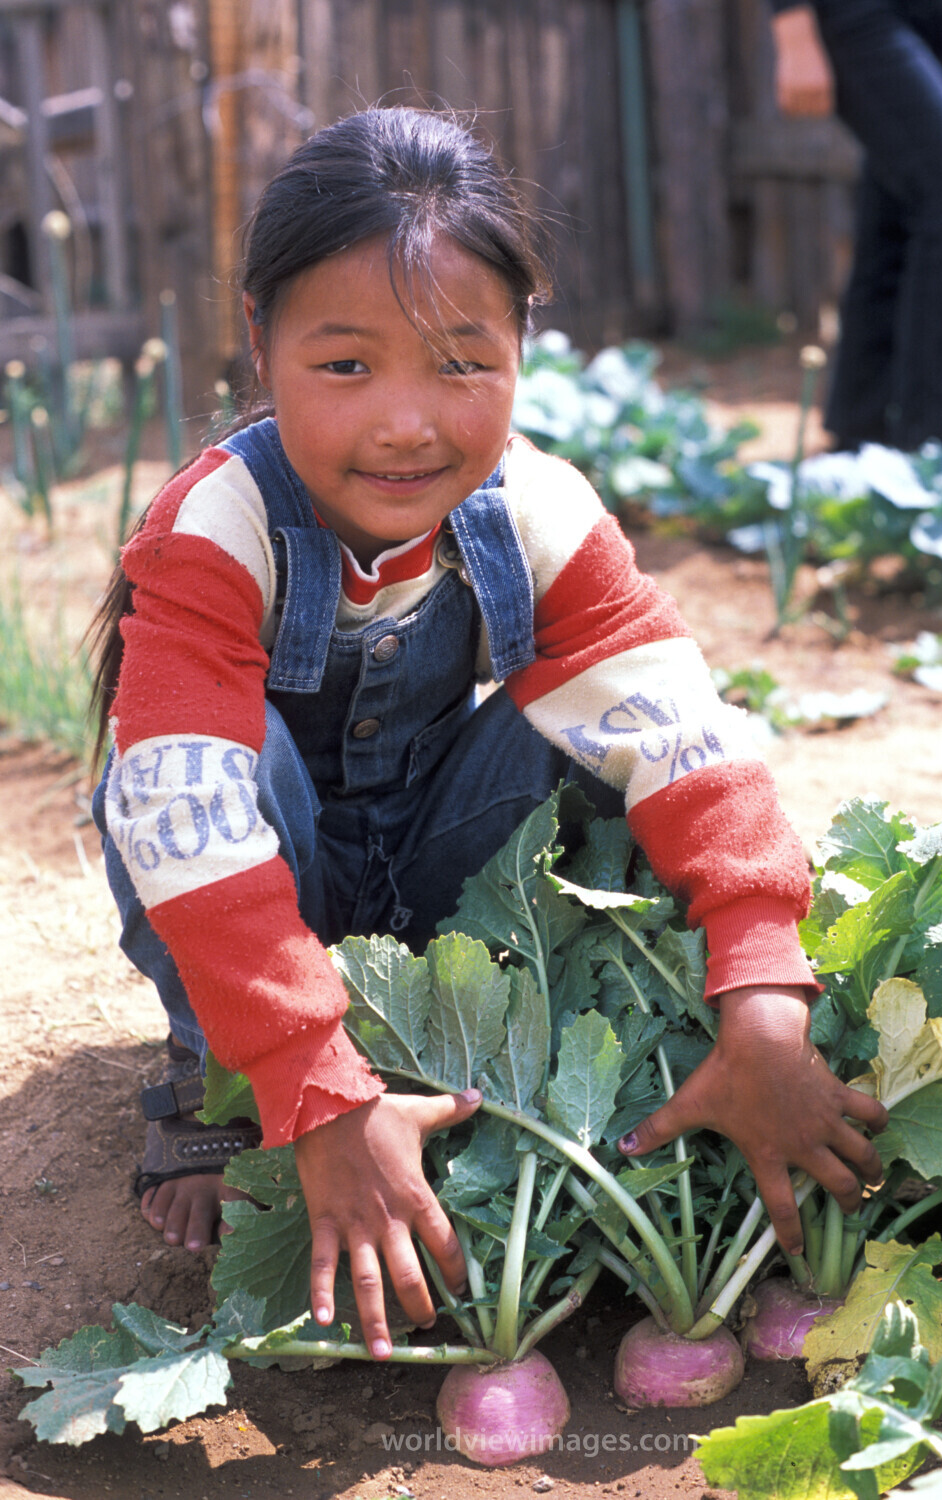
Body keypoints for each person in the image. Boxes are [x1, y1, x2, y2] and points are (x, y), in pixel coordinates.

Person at [88, 106, 887, 1360]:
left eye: (462, 363)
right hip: (260, 883)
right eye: (345, 366)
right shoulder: (213, 530)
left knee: (611, 714)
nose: (407, 424)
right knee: (168, 789)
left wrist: (763, 989)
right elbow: (191, 826)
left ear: (525, 340)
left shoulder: (542, 508)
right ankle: (211, 1081)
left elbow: (686, 741)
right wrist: (311, 1089)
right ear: (259, 338)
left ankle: (436, 1020)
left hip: (436, 868)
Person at [769, 0, 942, 451]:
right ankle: (941, 450)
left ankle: (861, 438)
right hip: (859, 13)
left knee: (894, 222)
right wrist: (791, 26)